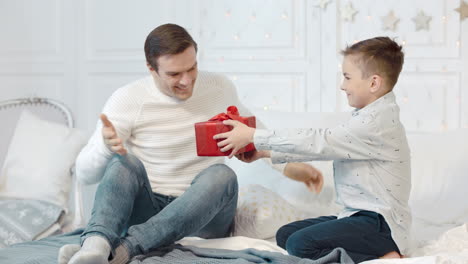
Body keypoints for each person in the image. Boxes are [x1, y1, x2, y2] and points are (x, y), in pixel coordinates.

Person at [58, 23, 324, 264]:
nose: (186, 81)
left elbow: (254, 135)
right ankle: (95, 247)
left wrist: (292, 167)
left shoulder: (218, 87)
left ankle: (123, 251)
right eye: (174, 74)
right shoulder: (127, 100)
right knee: (123, 162)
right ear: (151, 69)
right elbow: (84, 175)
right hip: (148, 208)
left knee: (222, 174)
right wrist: (105, 147)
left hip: (204, 214)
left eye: (192, 68)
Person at [214, 36, 411, 263]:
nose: (342, 85)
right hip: (358, 217)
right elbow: (327, 145)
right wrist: (263, 152)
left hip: (380, 225)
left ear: (373, 83)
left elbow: (319, 142)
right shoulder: (368, 116)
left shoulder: (375, 124)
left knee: (300, 244)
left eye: (347, 77)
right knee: (285, 235)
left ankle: (384, 255)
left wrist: (254, 136)